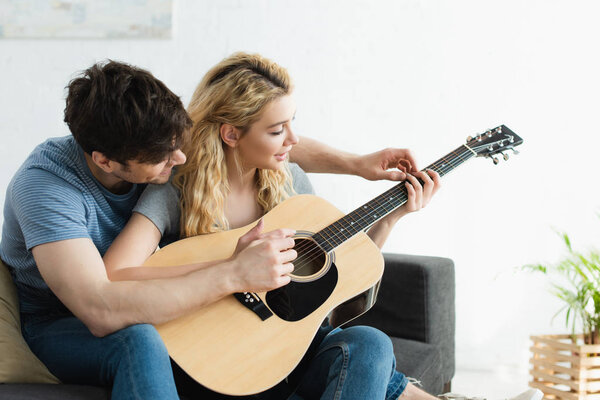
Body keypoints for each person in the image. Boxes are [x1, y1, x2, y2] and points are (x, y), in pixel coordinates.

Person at [0, 59, 430, 399]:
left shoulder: (149, 134)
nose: (181, 161)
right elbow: (100, 307)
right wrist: (233, 271)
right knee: (139, 340)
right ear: (106, 161)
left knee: (368, 343)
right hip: (64, 319)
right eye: (165, 158)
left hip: (167, 293)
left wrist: (357, 166)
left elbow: (255, 140)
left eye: (178, 143)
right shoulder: (47, 189)